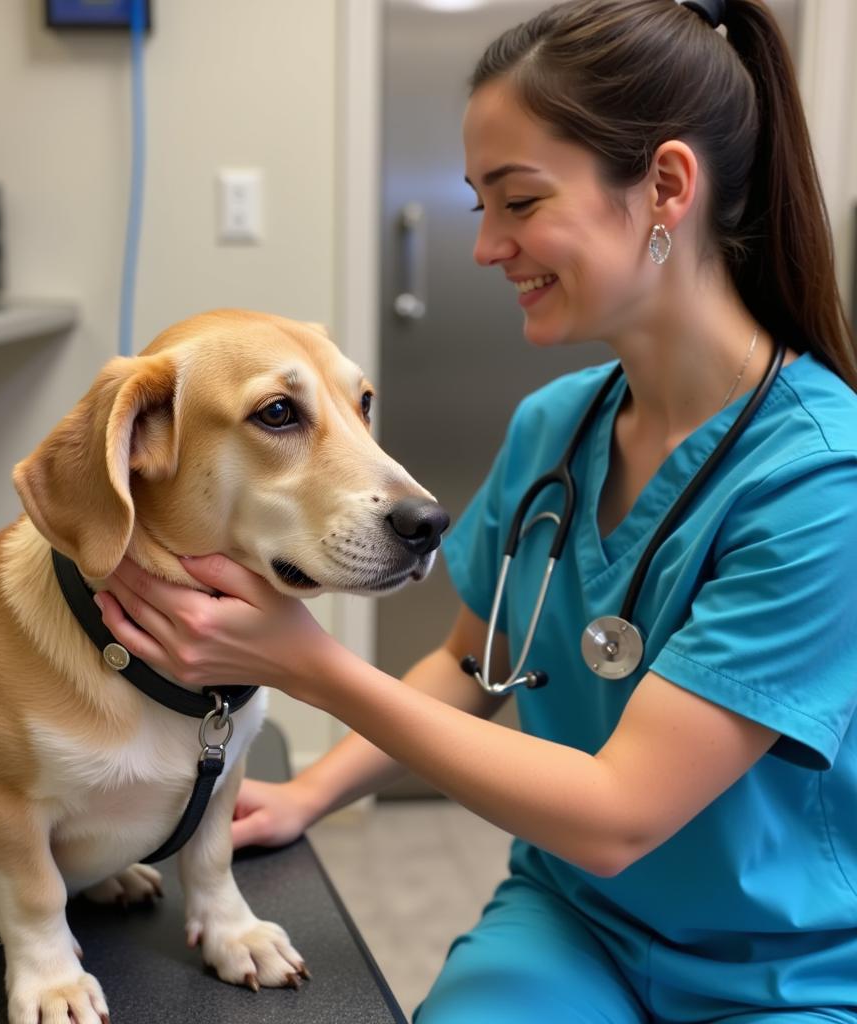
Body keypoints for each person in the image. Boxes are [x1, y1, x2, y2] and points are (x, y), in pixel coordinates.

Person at [93, 0, 857, 1019]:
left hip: (779, 964)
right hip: (578, 917)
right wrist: (315, 788)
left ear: (667, 185)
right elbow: (468, 663)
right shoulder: (555, 429)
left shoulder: (819, 480)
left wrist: (304, 664)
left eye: (518, 201)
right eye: (477, 208)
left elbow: (620, 814)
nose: (486, 247)